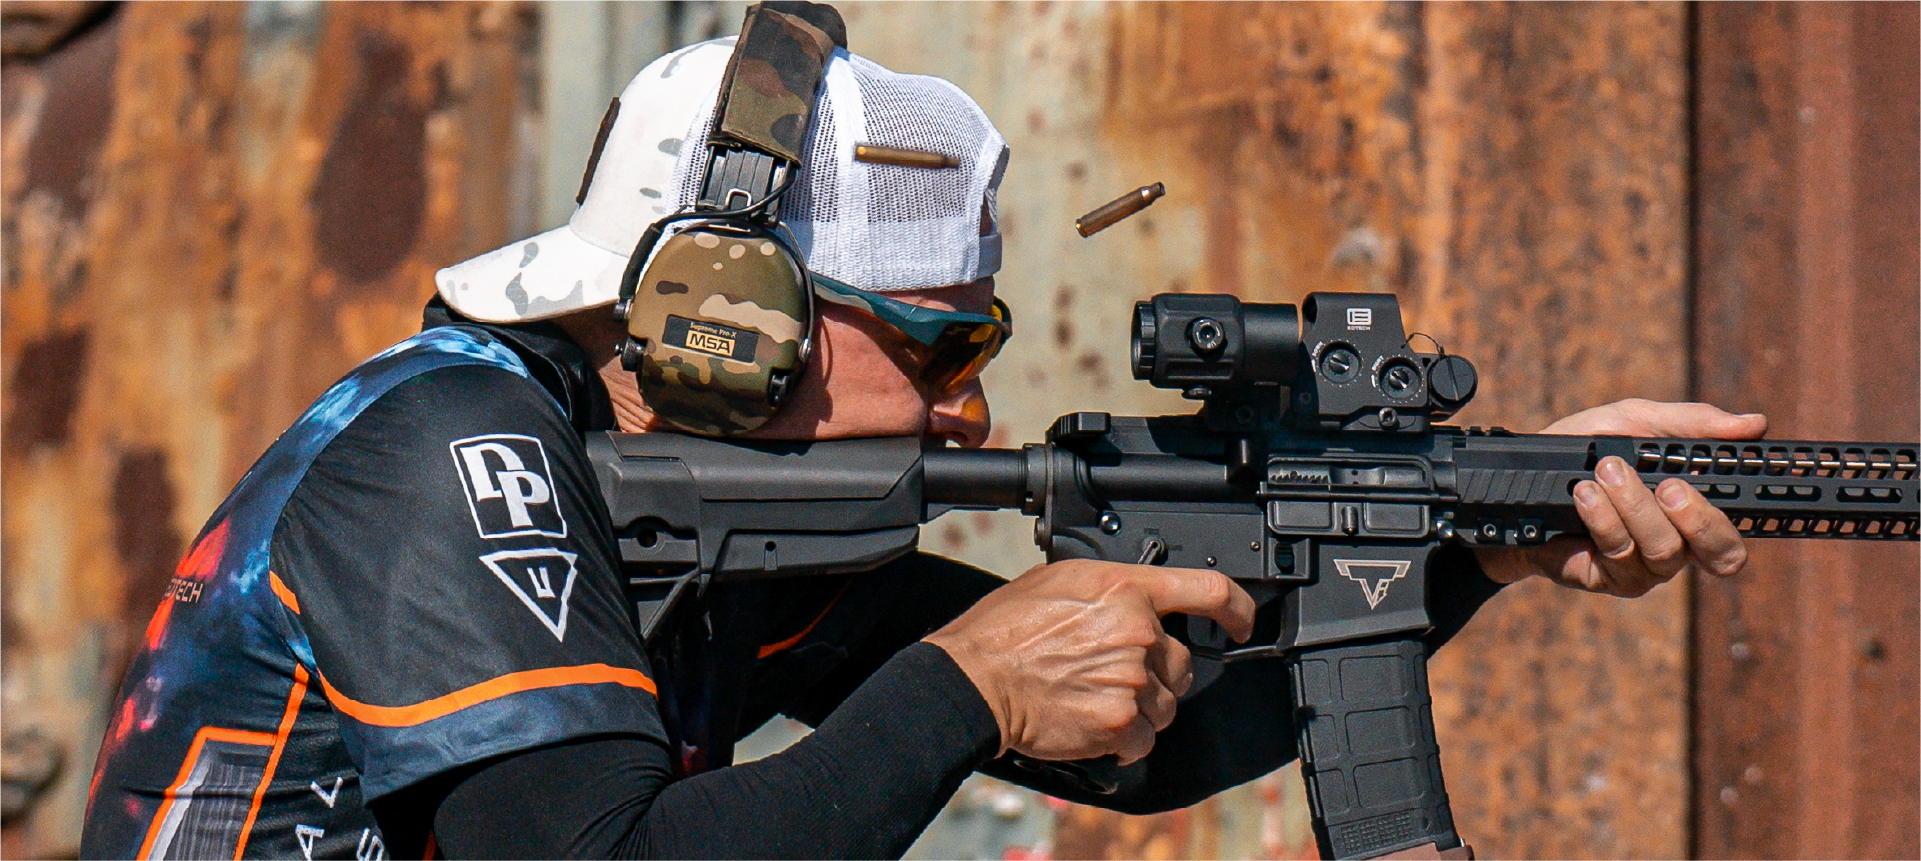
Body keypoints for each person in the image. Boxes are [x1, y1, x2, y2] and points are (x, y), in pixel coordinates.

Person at [81, 32, 1761, 861]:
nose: (970, 401)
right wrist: (965, 683)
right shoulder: (446, 449)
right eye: (941, 341)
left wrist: (1461, 546)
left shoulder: (709, 510)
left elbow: (1151, 750)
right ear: (723, 317)